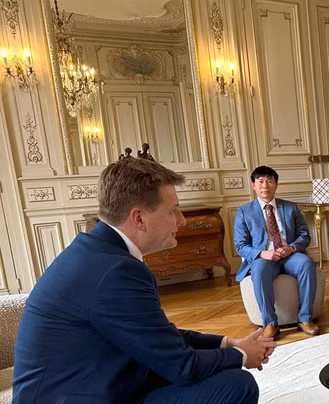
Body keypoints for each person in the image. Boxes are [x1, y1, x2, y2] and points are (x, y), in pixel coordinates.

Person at [13, 158, 274, 403]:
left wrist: (229, 343)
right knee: (236, 385)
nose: (181, 220)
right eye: (173, 210)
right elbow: (184, 367)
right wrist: (241, 355)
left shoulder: (97, 252)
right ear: (138, 218)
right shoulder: (115, 271)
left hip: (99, 379)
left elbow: (156, 336)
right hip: (85, 394)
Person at [234, 166, 318, 339]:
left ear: (276, 185)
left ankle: (305, 318)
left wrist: (291, 248)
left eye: (270, 181)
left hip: (290, 255)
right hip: (264, 258)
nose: (265, 185)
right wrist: (263, 253)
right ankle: (270, 323)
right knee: (259, 269)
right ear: (253, 185)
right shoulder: (244, 211)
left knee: (307, 264)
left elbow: (304, 235)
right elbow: (240, 245)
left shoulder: (291, 207)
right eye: (261, 181)